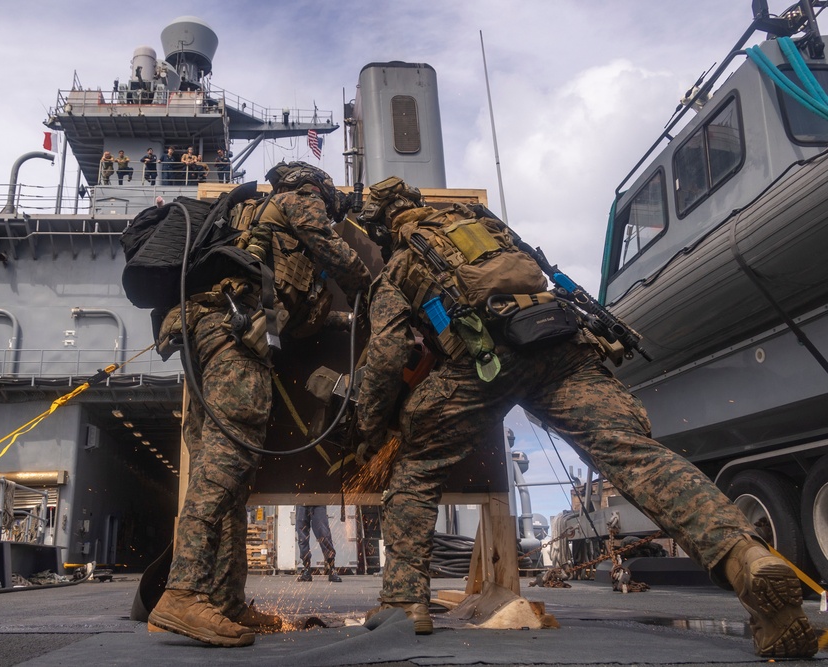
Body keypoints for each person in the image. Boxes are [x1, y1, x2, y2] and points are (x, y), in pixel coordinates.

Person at [353, 178, 817, 658]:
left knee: (416, 469)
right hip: (559, 340)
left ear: (384, 227)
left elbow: (387, 357)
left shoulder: (401, 264)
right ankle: (747, 557)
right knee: (634, 456)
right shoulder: (487, 229)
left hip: (485, 358)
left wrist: (369, 429)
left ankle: (405, 603)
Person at [148, 162, 371, 647]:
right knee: (223, 469)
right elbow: (346, 262)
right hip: (232, 336)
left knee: (228, 474)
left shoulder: (259, 219)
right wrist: (379, 294)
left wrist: (341, 320)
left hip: (204, 331)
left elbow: (301, 320)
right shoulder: (300, 198)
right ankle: (183, 593)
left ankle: (225, 602)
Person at [295, 505, 342, 582]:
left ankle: (332, 568)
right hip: (301, 499)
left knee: (323, 534)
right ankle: (306, 568)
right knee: (302, 537)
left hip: (318, 500)